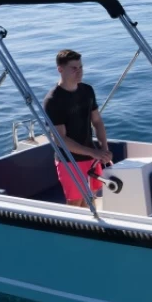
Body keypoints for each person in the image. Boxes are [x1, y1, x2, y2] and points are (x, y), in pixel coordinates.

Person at [43, 49, 112, 207]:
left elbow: (97, 121)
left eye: (81, 67)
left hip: (91, 156)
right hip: (69, 161)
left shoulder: (87, 90)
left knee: (91, 198)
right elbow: (60, 139)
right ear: (60, 69)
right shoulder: (53, 100)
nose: (79, 72)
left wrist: (104, 148)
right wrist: (93, 152)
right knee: (75, 202)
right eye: (74, 68)